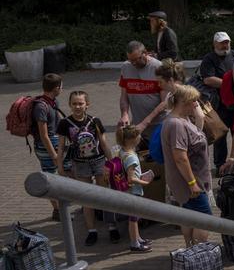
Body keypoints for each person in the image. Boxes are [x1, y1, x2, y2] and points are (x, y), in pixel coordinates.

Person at [57, 91, 113, 246]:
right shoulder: (65, 123)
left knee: (105, 195)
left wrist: (112, 162)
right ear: (69, 104)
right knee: (86, 198)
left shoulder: (95, 121)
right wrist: (60, 166)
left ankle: (111, 226)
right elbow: (61, 147)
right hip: (80, 164)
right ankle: (92, 231)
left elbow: (103, 143)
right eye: (74, 103)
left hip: (99, 161)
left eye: (80, 103)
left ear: (87, 104)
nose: (77, 106)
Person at [161, 85, 213, 246]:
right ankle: (200, 250)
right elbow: (180, 157)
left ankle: (190, 248)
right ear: (185, 102)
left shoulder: (180, 119)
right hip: (191, 182)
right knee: (204, 218)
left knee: (188, 214)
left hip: (190, 180)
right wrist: (192, 183)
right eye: (194, 101)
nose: (197, 104)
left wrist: (199, 117)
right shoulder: (177, 124)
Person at [197, 32, 234, 171]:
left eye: (227, 42)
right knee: (220, 136)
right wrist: (230, 83)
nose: (225, 45)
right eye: (222, 42)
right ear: (215, 44)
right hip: (218, 104)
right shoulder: (209, 59)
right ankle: (220, 166)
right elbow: (208, 79)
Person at [138, 59, 205, 135]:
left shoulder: (186, 94)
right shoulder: (170, 95)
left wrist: (195, 137)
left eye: (160, 82)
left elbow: (200, 116)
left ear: (170, 80)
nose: (159, 85)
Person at [32, 74, 65, 220]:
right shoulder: (41, 106)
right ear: (56, 88)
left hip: (56, 142)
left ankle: (61, 207)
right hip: (47, 146)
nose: (62, 89)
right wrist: (54, 155)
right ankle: (57, 210)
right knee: (50, 178)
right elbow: (44, 135)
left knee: (65, 173)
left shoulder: (52, 101)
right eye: (61, 86)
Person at [116, 126, 154, 253]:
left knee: (135, 218)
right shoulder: (131, 157)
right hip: (133, 192)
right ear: (132, 139)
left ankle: (138, 238)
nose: (140, 137)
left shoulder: (122, 151)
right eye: (138, 135)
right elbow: (131, 178)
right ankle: (134, 243)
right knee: (133, 219)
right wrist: (144, 182)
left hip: (127, 191)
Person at [119, 41, 164, 146]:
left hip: (159, 126)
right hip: (138, 127)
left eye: (136, 59)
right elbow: (124, 97)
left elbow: (165, 102)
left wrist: (145, 122)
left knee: (160, 160)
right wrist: (124, 114)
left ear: (145, 53)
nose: (133, 63)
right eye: (131, 60)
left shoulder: (159, 68)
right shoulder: (125, 67)